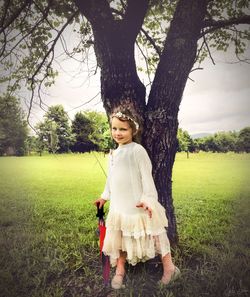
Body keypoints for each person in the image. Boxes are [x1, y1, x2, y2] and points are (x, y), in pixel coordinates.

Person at [94, 109, 180, 289]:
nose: (118, 133)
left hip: (139, 204)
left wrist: (148, 200)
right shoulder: (113, 154)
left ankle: (169, 268)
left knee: (156, 235)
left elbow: (147, 177)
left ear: (133, 130)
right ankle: (119, 271)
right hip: (119, 206)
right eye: (114, 128)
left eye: (123, 129)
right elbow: (111, 179)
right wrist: (104, 197)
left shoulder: (137, 150)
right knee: (121, 238)